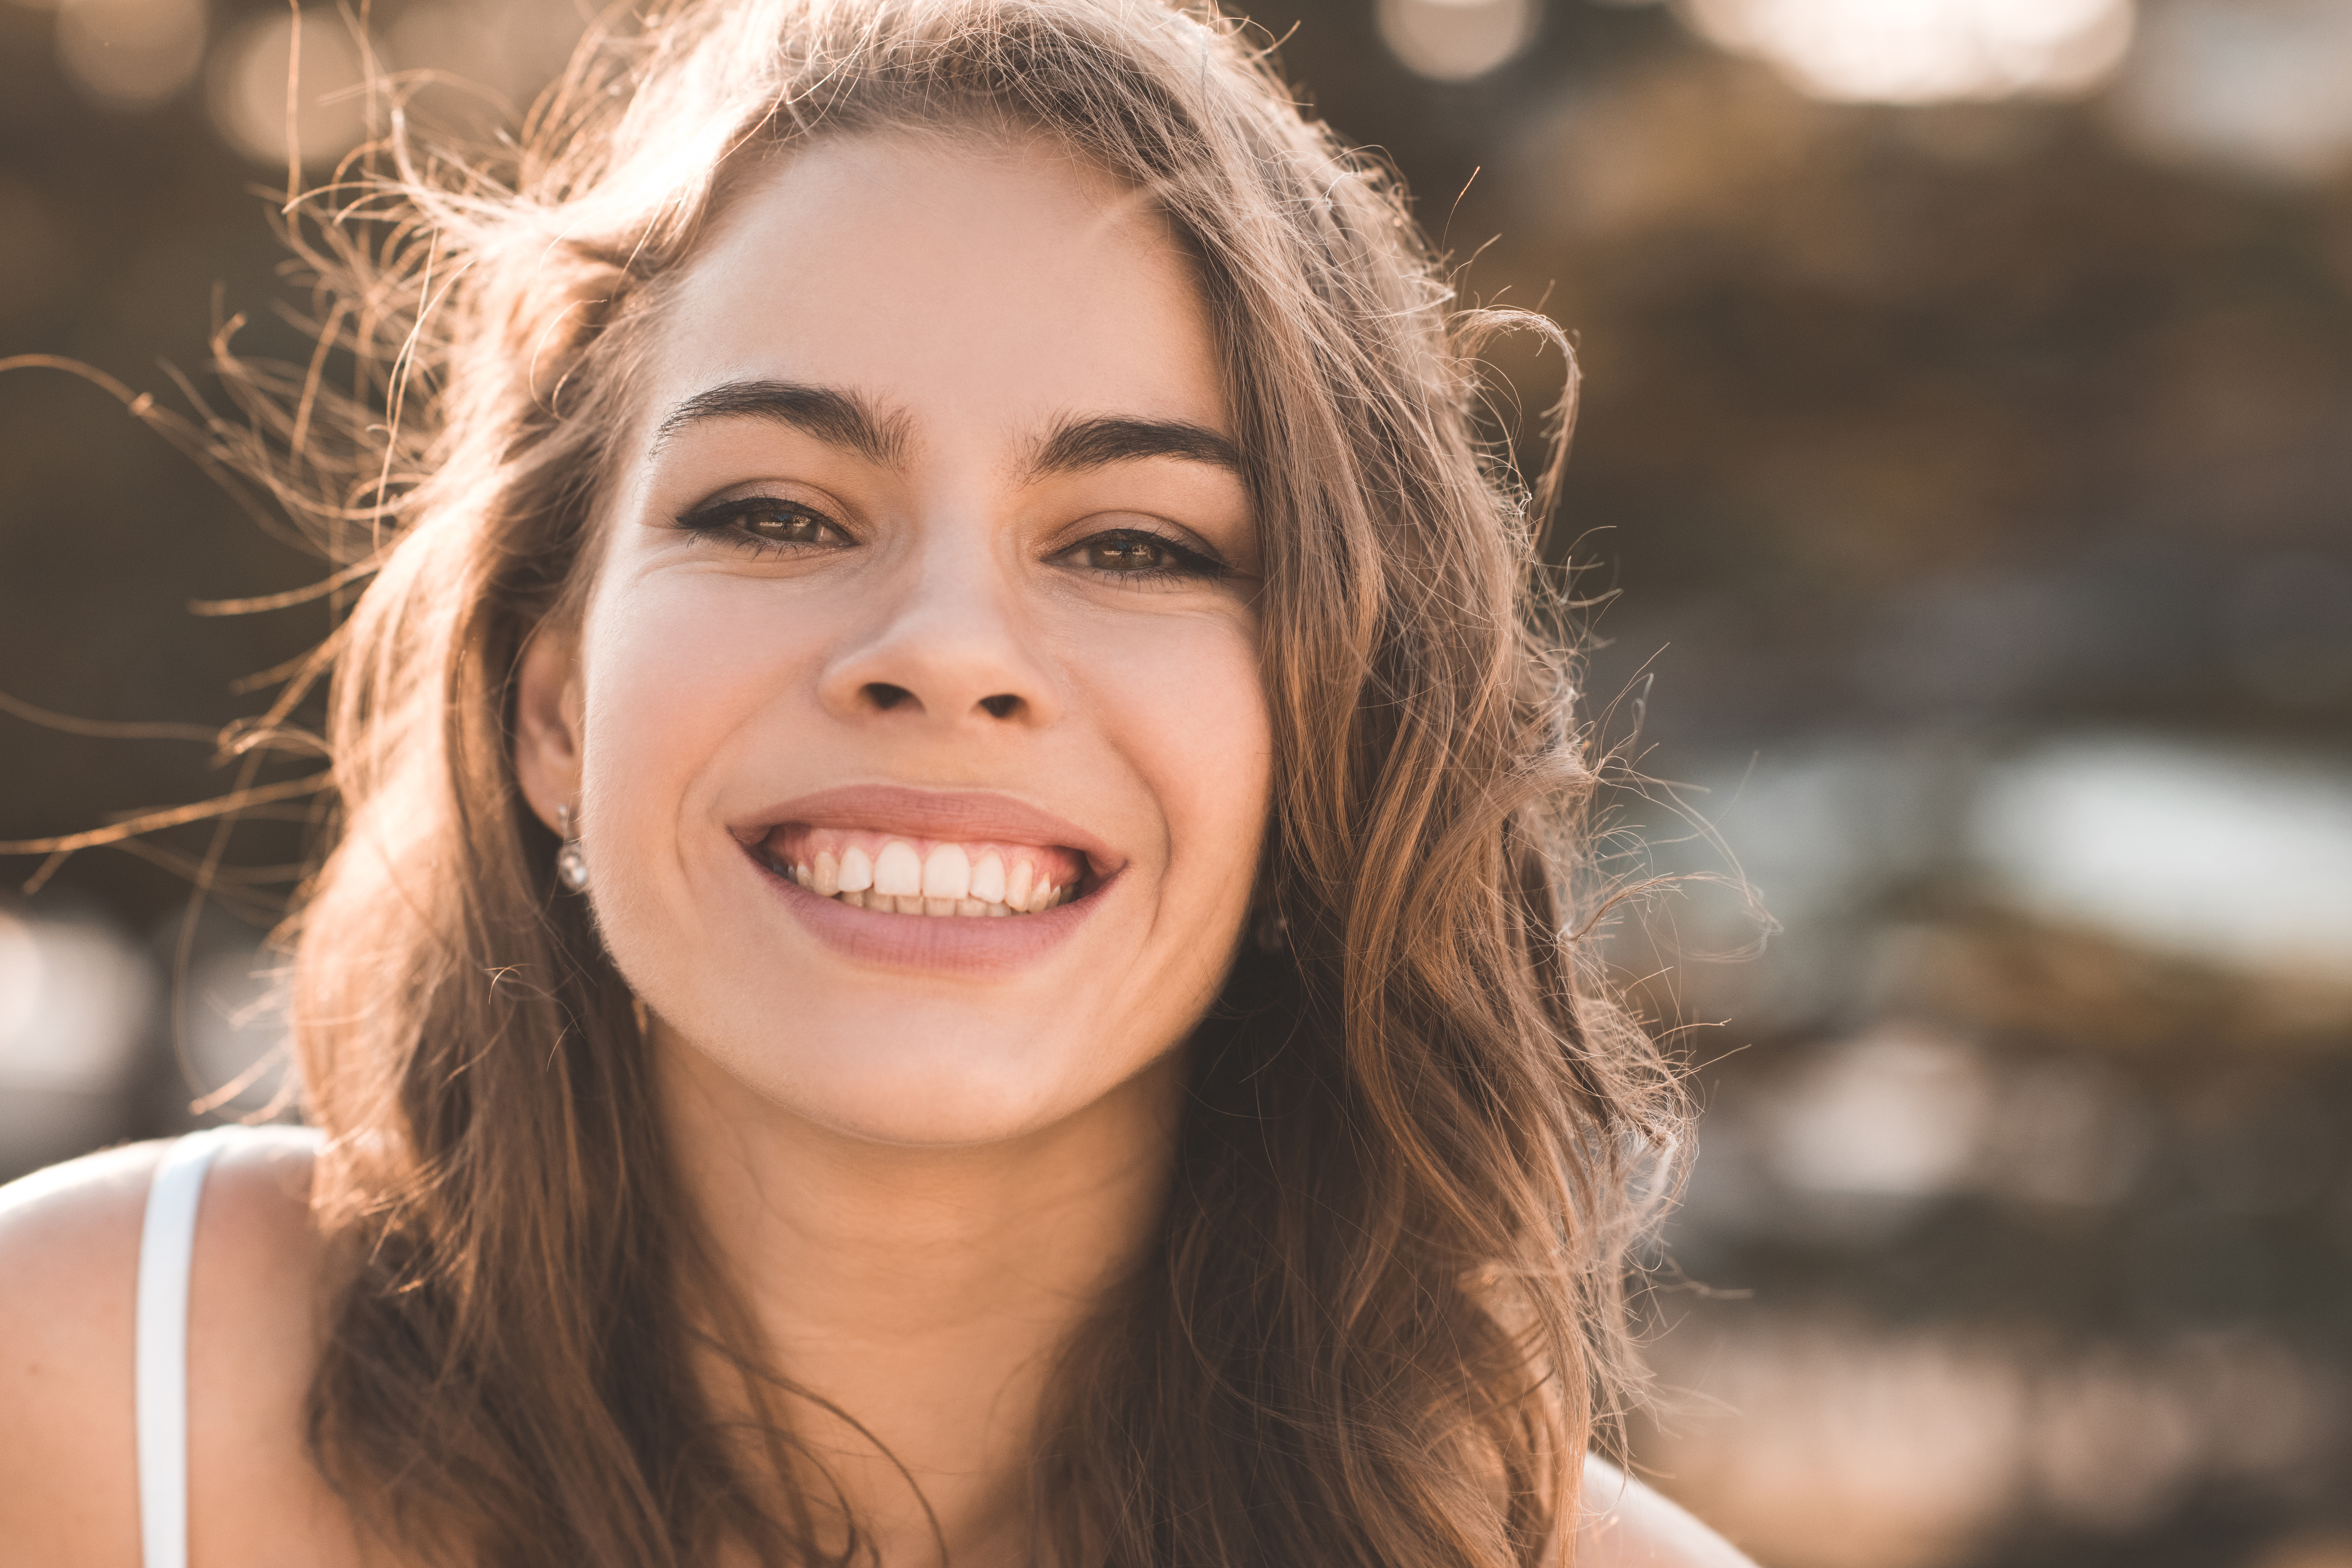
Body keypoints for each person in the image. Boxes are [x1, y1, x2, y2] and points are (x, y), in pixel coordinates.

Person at [0, 1, 1752, 1563]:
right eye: (776, 512)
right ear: (554, 705)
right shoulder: (85, 1386)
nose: (947, 649)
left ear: (1336, 739)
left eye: (1136, 543)